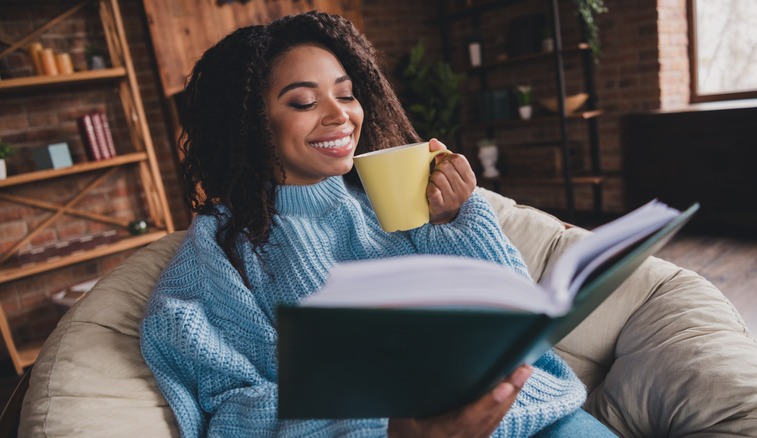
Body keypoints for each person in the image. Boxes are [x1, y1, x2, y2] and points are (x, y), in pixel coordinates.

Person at [139, 11, 616, 438]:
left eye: (346, 94)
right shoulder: (222, 249)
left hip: (536, 410)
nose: (340, 115)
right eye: (304, 102)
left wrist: (456, 220)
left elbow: (515, 314)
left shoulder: (392, 195)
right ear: (247, 122)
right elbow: (233, 405)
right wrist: (392, 427)